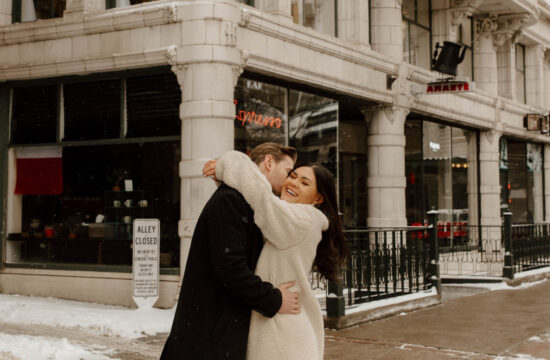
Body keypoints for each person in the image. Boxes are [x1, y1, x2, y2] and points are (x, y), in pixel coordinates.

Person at [160, 143, 303, 360]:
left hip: (215, 333)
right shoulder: (231, 200)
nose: (289, 180)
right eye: (287, 172)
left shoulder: (248, 203)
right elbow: (230, 269)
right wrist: (274, 299)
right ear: (268, 162)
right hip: (209, 338)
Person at [211, 150, 347, 360]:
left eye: (304, 183)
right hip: (282, 321)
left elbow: (261, 198)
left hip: (282, 330)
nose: (293, 183)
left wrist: (229, 163)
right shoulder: (288, 218)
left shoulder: (302, 220)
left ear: (318, 197)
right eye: (292, 176)